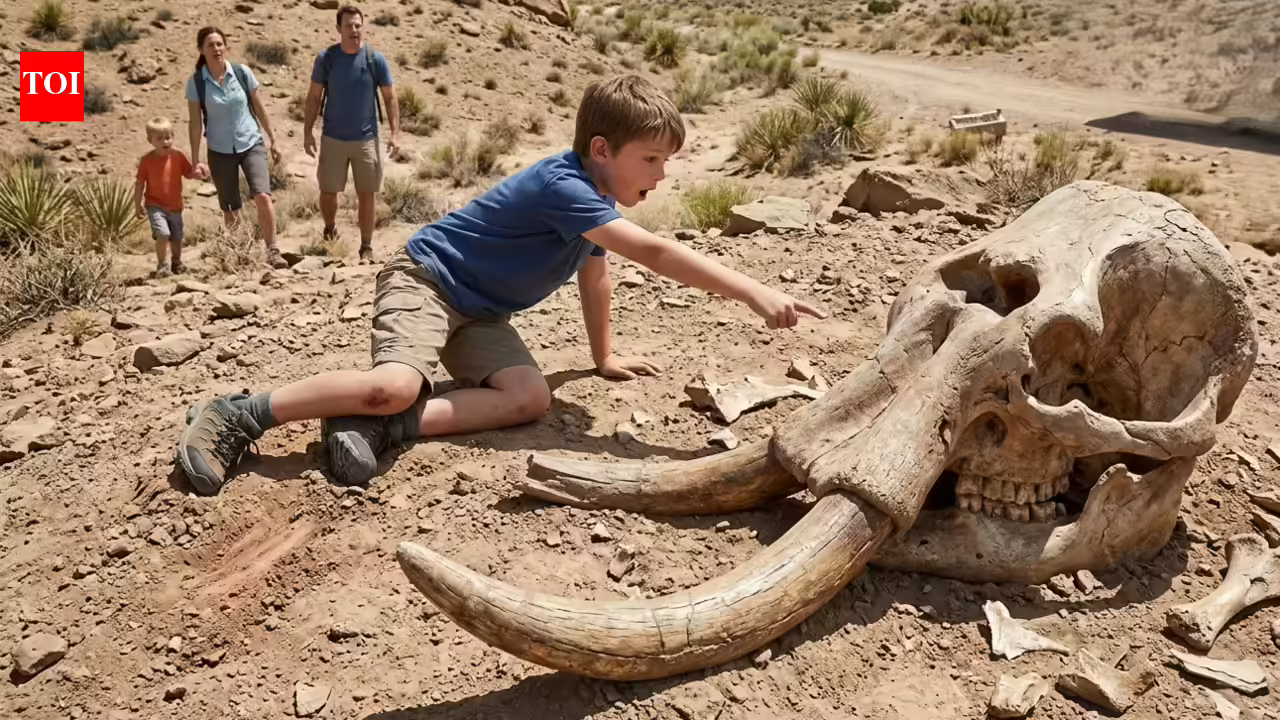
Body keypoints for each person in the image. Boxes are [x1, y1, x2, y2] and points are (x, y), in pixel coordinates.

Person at [175, 74, 825, 496]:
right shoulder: (563, 186)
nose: (661, 174)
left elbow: (596, 281)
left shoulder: (591, 211)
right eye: (651, 159)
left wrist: (603, 358)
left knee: (528, 398)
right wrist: (751, 290)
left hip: (480, 314)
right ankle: (238, 413)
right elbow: (653, 252)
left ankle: (381, 428)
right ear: (602, 149)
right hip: (427, 282)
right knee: (395, 382)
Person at [302, 4, 399, 263]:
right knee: (328, 191)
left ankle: (366, 246)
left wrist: (395, 133)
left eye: (358, 25)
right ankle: (330, 228)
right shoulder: (327, 58)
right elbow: (313, 97)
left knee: (367, 193)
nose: (354, 30)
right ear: (338, 29)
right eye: (349, 26)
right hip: (333, 137)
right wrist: (307, 132)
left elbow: (390, 98)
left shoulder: (374, 59)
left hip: (366, 138)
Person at [186, 25, 289, 269]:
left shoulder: (242, 73)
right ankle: (241, 255)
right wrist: (194, 159)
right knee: (230, 206)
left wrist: (273, 139)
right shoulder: (197, 83)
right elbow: (194, 122)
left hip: (251, 141)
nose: (216, 49)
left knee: (263, 196)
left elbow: (259, 107)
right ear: (201, 50)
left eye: (219, 44)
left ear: (226, 46)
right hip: (219, 149)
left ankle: (272, 250)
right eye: (210, 45)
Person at [133, 117, 204, 277]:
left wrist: (198, 174)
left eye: (168, 137)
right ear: (150, 140)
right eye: (160, 138)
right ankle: (162, 266)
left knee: (176, 237)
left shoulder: (178, 155)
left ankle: (176, 263)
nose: (165, 141)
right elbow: (139, 184)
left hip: (175, 205)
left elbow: (188, 172)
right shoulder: (147, 160)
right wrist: (137, 205)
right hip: (155, 205)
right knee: (163, 233)